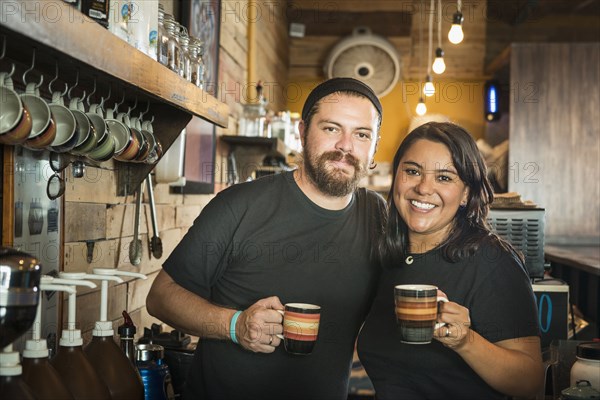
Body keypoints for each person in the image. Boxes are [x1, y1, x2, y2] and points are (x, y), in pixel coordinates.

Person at [147, 77, 387, 400]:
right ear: (303, 133)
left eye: (361, 134)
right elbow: (160, 297)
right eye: (331, 128)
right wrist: (235, 326)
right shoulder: (240, 205)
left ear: (374, 147)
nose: (346, 146)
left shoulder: (378, 216)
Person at [357, 122, 544, 400]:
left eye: (444, 178)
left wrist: (464, 341)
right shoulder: (388, 257)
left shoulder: (492, 262)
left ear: (466, 193)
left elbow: (530, 381)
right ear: (396, 177)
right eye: (412, 171)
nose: (423, 188)